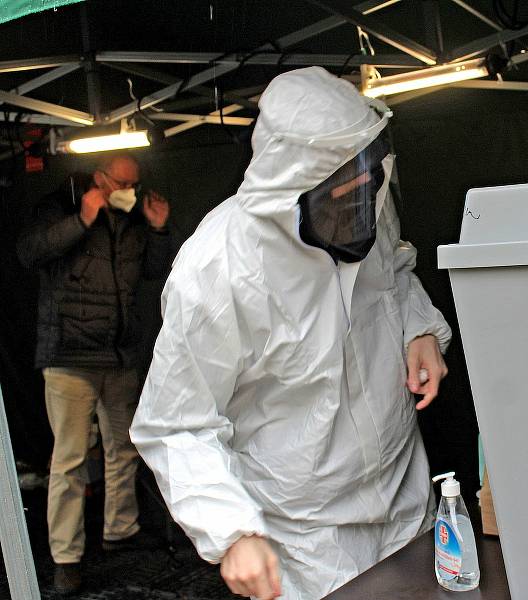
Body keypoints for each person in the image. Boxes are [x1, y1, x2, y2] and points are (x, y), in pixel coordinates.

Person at [130, 66, 451, 600]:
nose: (361, 202)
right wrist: (232, 533)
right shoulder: (219, 269)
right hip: (307, 539)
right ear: (296, 182)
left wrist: (419, 331)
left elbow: (393, 271)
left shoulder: (367, 196)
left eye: (366, 180)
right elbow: (177, 425)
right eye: (343, 190)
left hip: (405, 495)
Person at [16, 153, 173, 595]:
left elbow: (154, 272)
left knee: (123, 448)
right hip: (69, 357)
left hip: (118, 355)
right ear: (98, 177)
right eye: (121, 182)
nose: (129, 190)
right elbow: (29, 252)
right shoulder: (58, 208)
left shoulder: (132, 219)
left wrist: (159, 228)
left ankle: (120, 530)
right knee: (70, 461)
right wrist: (82, 220)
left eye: (133, 183)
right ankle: (66, 557)